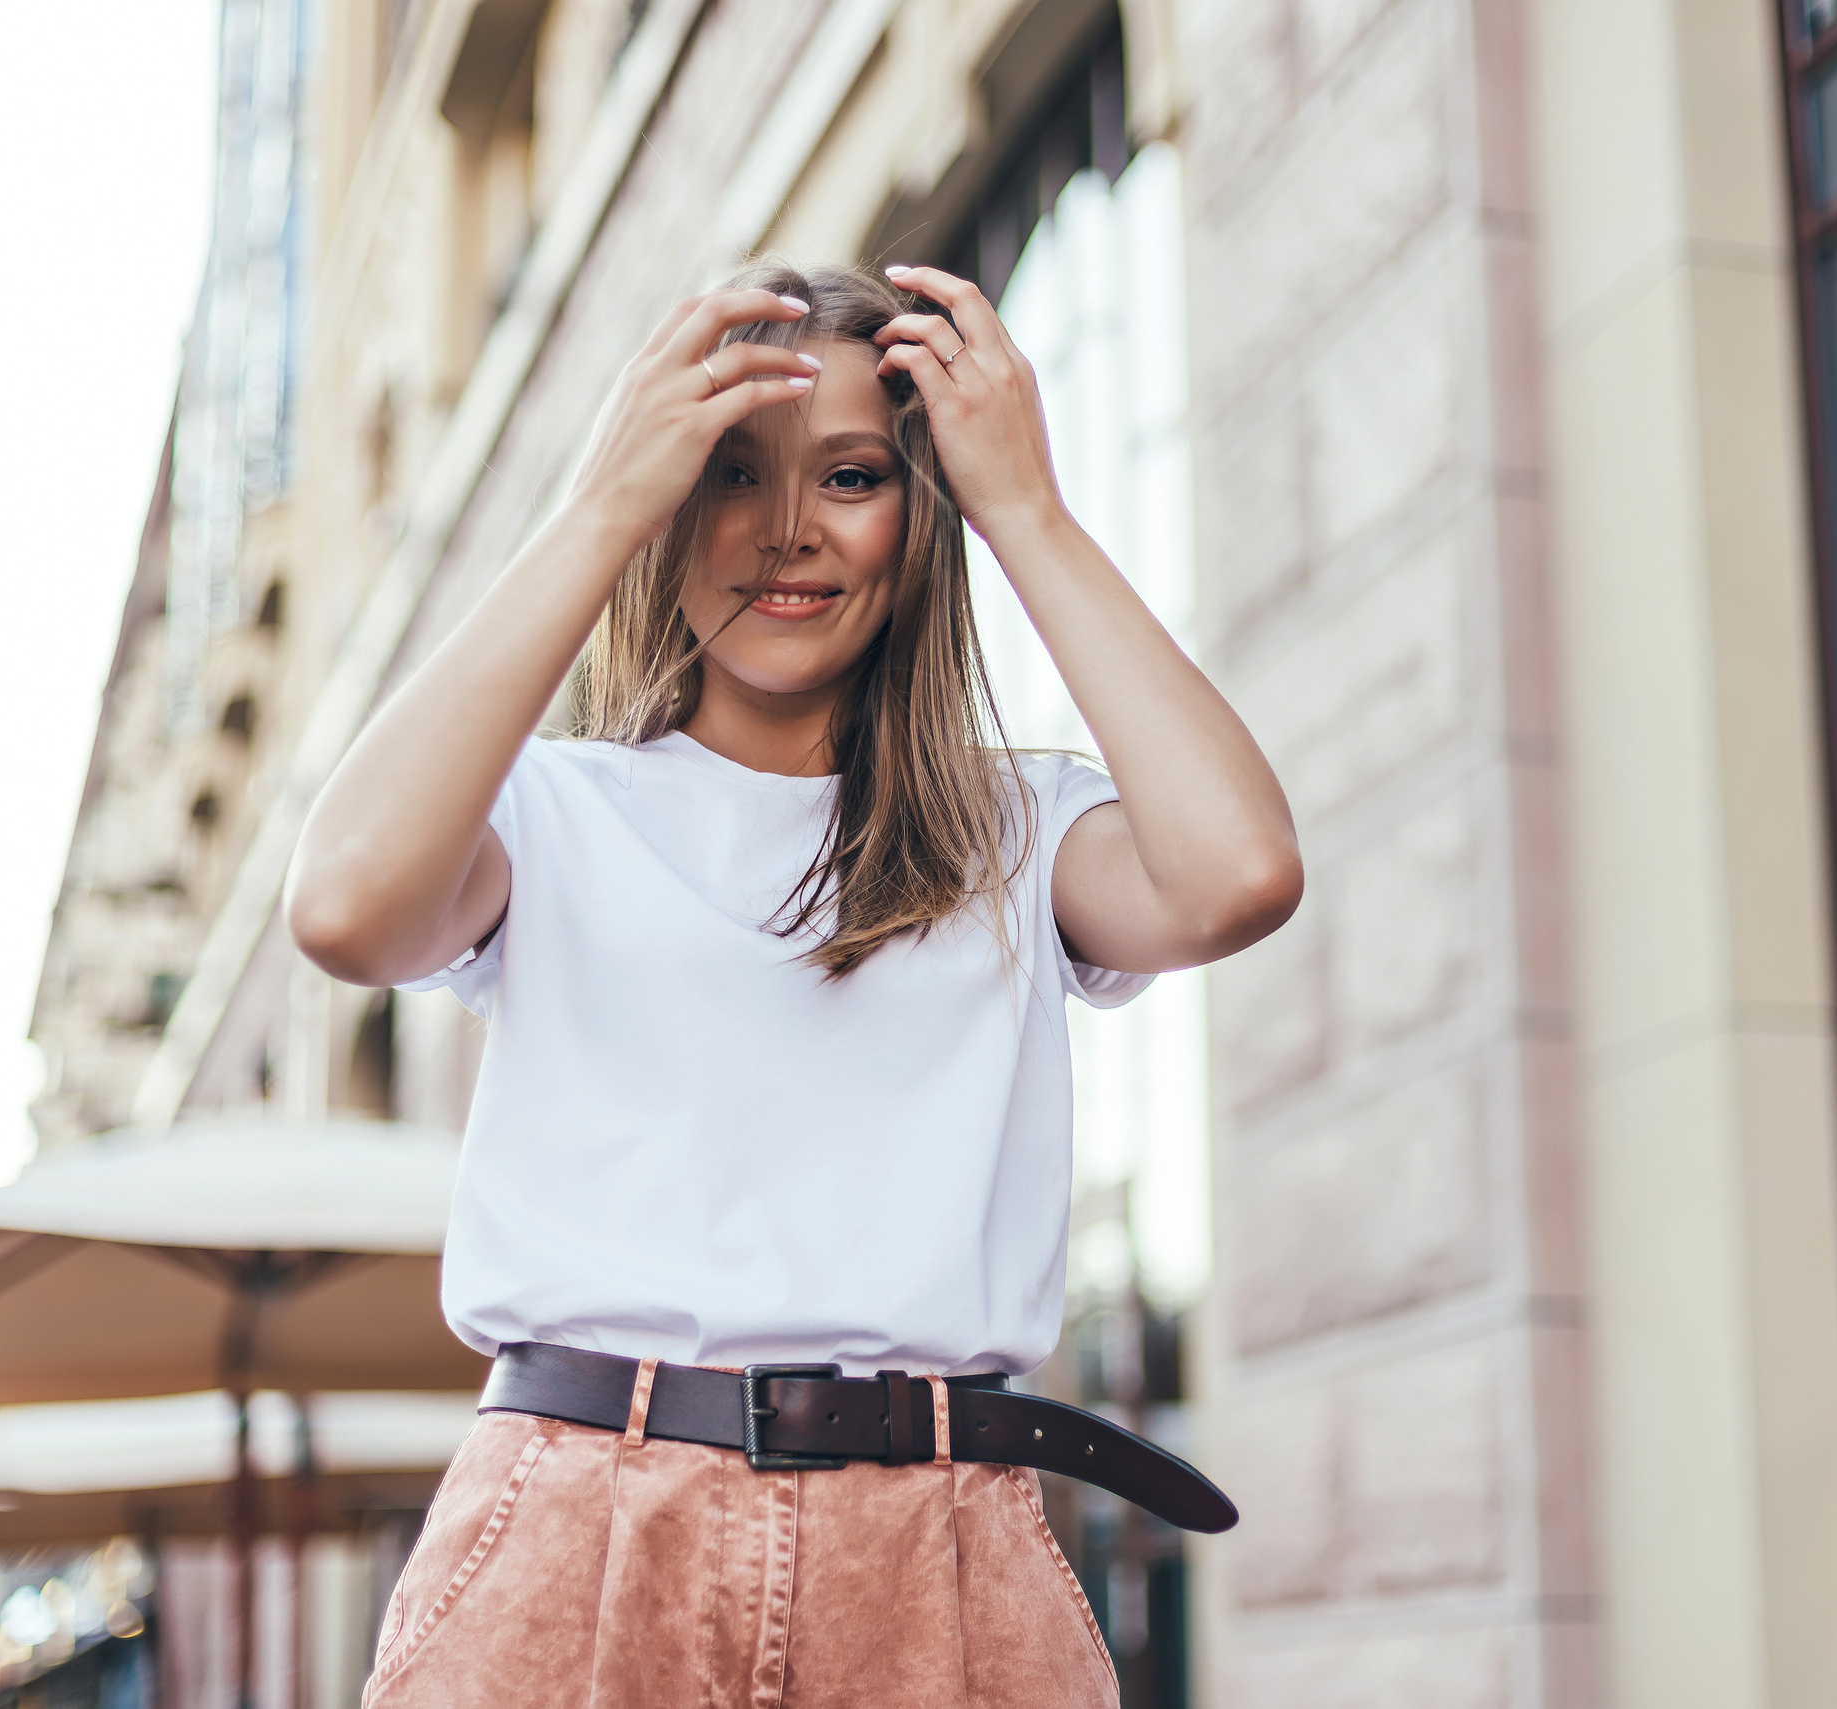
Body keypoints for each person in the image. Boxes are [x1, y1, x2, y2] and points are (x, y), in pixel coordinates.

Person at [286, 261, 1302, 1708]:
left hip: (940, 1551)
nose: (786, 529)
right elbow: (341, 908)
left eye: (852, 475)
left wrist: (1026, 508)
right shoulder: (548, 812)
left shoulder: (1020, 830)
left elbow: (1239, 876)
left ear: (919, 513)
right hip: (578, 1526)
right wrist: (599, 506)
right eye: (730, 472)